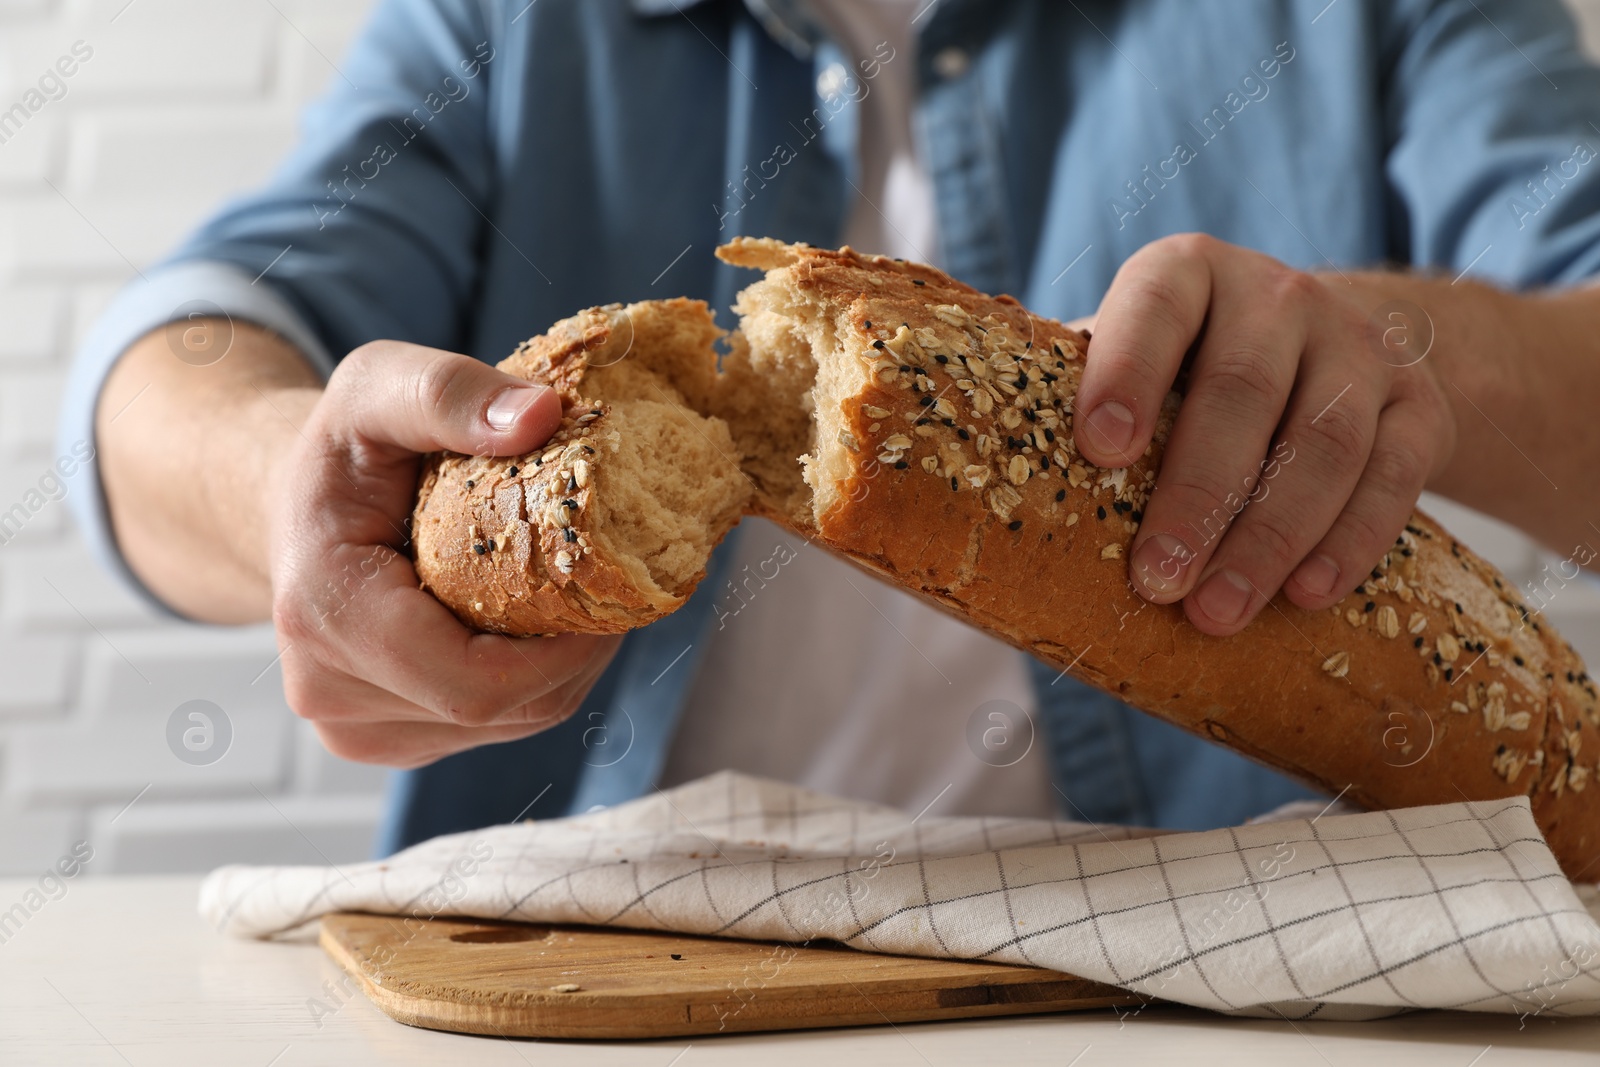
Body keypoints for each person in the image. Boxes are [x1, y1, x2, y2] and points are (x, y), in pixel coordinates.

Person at [61, 0, 1600, 853]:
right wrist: (288, 484)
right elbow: (173, 357)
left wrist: (1416, 353)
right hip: (623, 985)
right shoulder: (518, 22)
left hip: (1230, 994)